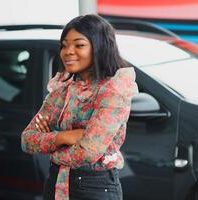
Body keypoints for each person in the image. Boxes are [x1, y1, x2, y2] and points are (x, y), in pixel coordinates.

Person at [21, 14, 138, 200]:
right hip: (56, 183)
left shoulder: (114, 89)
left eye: (79, 45)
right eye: (64, 45)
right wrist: (64, 136)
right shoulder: (62, 88)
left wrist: (51, 147)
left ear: (99, 47)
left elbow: (88, 151)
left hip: (95, 187)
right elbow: (27, 140)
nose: (68, 51)